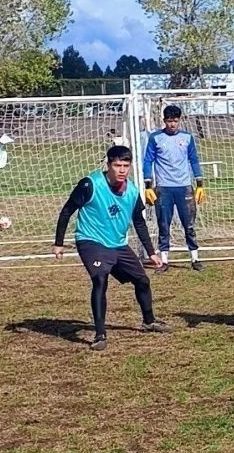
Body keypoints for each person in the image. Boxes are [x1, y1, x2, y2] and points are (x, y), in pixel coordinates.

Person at [53, 145, 171, 351]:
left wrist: (151, 252)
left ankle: (149, 321)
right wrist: (59, 243)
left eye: (126, 165)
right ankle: (100, 335)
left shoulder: (133, 191)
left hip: (117, 243)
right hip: (91, 241)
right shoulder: (90, 184)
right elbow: (67, 211)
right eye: (117, 165)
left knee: (142, 280)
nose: (122, 170)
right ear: (109, 165)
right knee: (100, 278)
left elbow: (139, 222)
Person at [142, 105, 205, 272]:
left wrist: (199, 183)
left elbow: (194, 160)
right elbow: (148, 160)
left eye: (175, 121)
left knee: (189, 224)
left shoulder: (187, 138)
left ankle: (195, 258)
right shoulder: (156, 138)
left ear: (179, 120)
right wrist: (148, 185)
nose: (172, 124)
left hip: (184, 187)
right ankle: (164, 260)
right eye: (169, 121)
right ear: (164, 121)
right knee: (164, 224)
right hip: (164, 188)